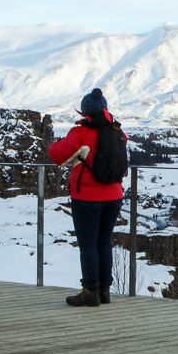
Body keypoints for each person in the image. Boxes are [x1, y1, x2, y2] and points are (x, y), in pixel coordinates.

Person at [48, 88, 127, 307]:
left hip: (87, 196)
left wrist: (55, 144)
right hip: (114, 195)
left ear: (85, 112)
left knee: (88, 245)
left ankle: (90, 290)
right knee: (104, 242)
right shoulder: (117, 130)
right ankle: (105, 290)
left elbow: (57, 154)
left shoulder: (81, 132)